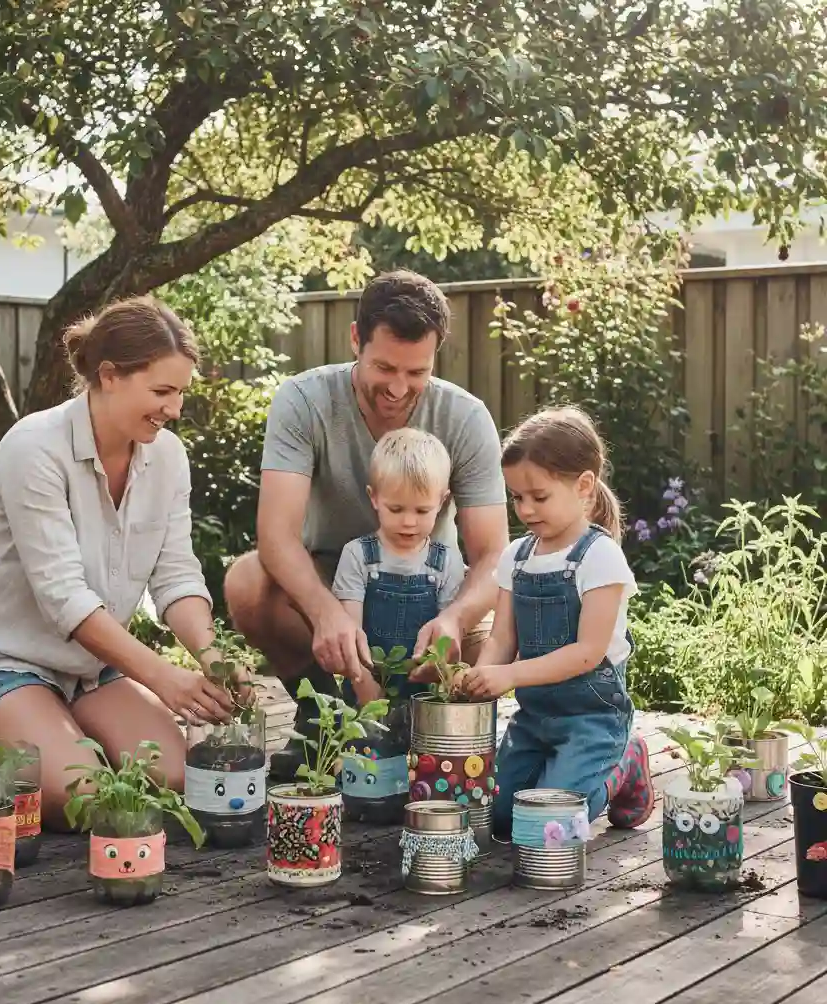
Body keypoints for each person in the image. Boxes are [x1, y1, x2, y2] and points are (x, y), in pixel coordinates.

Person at [0, 295, 245, 829]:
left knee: (176, 778)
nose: (175, 409)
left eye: (180, 392)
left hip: (87, 666)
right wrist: (164, 677)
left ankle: (48, 724)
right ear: (110, 375)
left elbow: (177, 575)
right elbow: (64, 598)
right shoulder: (34, 449)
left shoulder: (167, 456)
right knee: (84, 797)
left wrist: (211, 658)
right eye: (162, 391)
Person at [224, 269, 510, 781]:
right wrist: (327, 611)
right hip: (331, 579)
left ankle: (420, 727)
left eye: (416, 372)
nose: (399, 389)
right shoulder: (304, 401)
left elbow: (493, 553)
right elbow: (276, 536)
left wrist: (455, 620)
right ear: (355, 340)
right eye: (384, 367)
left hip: (432, 595)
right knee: (246, 584)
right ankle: (322, 715)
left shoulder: (466, 418)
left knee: (511, 621)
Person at [458, 405, 655, 837]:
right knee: (501, 823)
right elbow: (502, 637)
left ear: (583, 485)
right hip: (533, 719)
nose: (526, 509)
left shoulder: (599, 556)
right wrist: (482, 673)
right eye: (516, 497)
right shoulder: (517, 556)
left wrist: (508, 674)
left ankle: (624, 762)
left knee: (549, 827)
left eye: (539, 496)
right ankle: (557, 771)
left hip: (592, 719)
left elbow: (588, 654)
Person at [331, 427, 467, 706]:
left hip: (424, 691)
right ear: (374, 497)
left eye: (421, 511)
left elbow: (445, 635)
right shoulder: (358, 555)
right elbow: (351, 633)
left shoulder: (447, 561)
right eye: (396, 509)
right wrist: (364, 685)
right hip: (366, 685)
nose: (408, 522)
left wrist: (439, 667)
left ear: (442, 502)